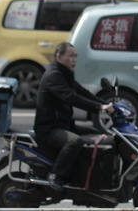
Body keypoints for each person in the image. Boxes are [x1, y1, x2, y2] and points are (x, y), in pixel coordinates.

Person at [33, 42, 114, 192]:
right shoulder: (54, 75)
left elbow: (82, 92)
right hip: (49, 128)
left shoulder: (64, 73)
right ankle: (56, 175)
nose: (74, 59)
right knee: (74, 141)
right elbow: (72, 97)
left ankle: (82, 176)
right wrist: (99, 108)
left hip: (64, 125)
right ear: (59, 56)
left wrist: (105, 103)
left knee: (96, 134)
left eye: (76, 56)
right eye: (70, 56)